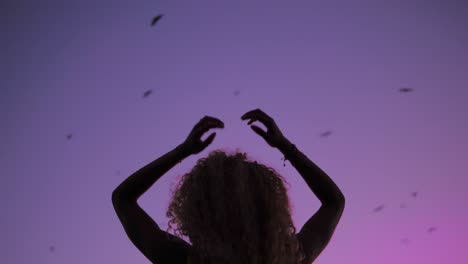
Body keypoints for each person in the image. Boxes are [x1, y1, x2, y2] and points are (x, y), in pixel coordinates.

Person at [112, 108, 345, 264]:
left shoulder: (184, 260)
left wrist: (182, 151)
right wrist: (285, 146)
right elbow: (333, 202)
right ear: (268, 206)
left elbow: (123, 198)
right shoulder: (289, 258)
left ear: (198, 209)